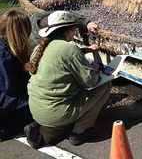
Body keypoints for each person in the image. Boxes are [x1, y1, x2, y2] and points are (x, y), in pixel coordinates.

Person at [24, 11, 111, 148]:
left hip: (36, 109)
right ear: (68, 30)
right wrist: (96, 69)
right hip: (57, 112)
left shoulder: (39, 48)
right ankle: (80, 131)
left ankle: (43, 131)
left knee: (59, 107)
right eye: (74, 29)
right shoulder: (70, 48)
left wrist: (86, 51)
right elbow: (91, 81)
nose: (75, 32)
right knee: (104, 86)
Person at [0, 10, 34, 141]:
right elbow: (10, 88)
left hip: (6, 97)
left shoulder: (7, 47)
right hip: (4, 100)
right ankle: (6, 129)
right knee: (36, 101)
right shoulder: (4, 54)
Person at [29, 10, 99, 52]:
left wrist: (86, 22)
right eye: (74, 30)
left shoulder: (37, 17)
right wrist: (87, 50)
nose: (75, 33)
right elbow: (66, 56)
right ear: (65, 32)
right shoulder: (46, 44)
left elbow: (63, 14)